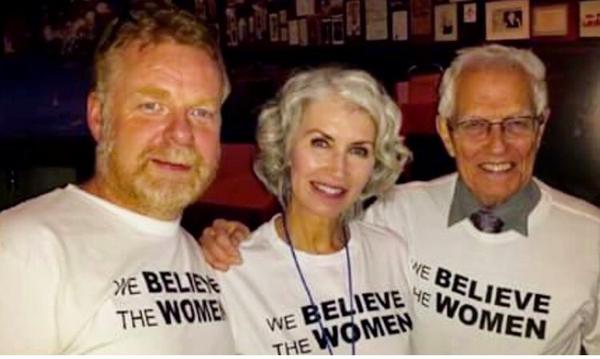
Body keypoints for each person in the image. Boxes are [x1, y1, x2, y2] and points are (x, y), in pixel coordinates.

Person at [200, 44, 600, 354]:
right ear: (446, 132)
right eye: (474, 124)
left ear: (541, 127)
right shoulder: (397, 215)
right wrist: (228, 241)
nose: (497, 145)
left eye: (516, 123)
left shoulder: (592, 240)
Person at [0, 5, 234, 354]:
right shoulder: (24, 248)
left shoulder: (213, 260)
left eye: (201, 112)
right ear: (99, 116)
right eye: (152, 106)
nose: (182, 135)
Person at [214, 67, 414, 354]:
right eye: (321, 143)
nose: (338, 169)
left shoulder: (392, 253)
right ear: (285, 147)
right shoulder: (234, 270)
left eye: (358, 150)